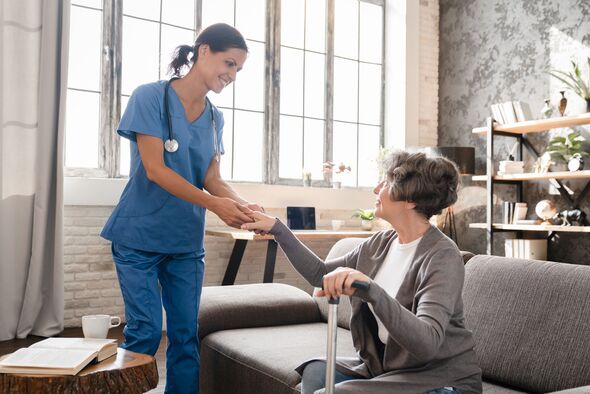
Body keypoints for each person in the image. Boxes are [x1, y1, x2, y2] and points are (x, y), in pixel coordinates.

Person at [101, 23, 263, 393]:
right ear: (203, 51)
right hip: (138, 237)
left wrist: (243, 206)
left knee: (186, 336)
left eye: (238, 69)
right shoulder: (149, 97)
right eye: (229, 63)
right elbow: (156, 170)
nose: (232, 74)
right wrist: (216, 205)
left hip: (185, 244)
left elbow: (213, 179)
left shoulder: (214, 117)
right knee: (143, 333)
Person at [241, 151, 482, 394]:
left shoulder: (441, 256)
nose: (377, 188)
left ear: (411, 199)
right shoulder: (380, 243)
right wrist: (278, 229)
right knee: (315, 372)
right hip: (391, 369)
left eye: (386, 183)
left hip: (440, 378)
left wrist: (371, 290)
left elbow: (428, 342)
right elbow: (320, 274)